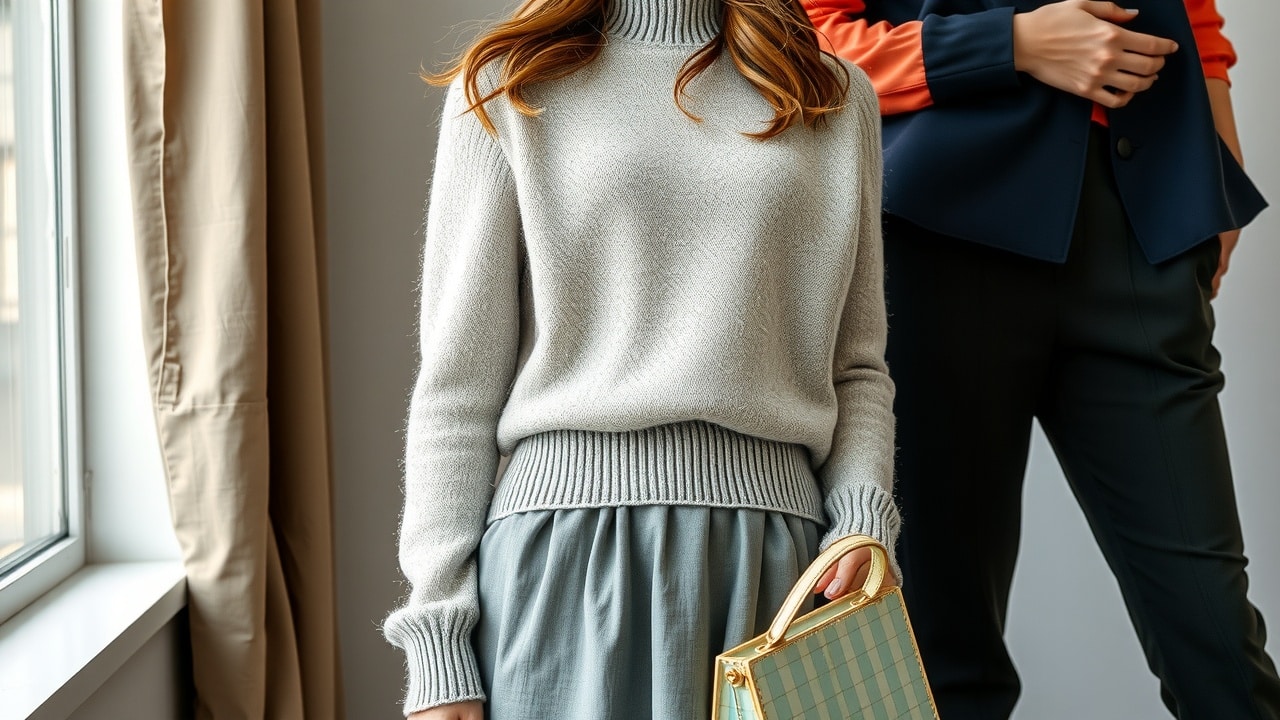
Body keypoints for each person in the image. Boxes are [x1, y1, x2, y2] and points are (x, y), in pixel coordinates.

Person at [383, 1, 903, 718]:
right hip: (560, 566)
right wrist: (437, 639)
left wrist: (863, 516)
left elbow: (858, 367)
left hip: (779, 572)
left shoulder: (834, 96)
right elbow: (457, 390)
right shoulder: (508, 84)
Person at [805, 0, 1280, 717]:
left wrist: (1216, 160)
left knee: (1218, 650)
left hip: (1137, 228)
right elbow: (808, 42)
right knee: (945, 659)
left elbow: (1194, 18)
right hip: (938, 244)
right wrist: (1012, 44)